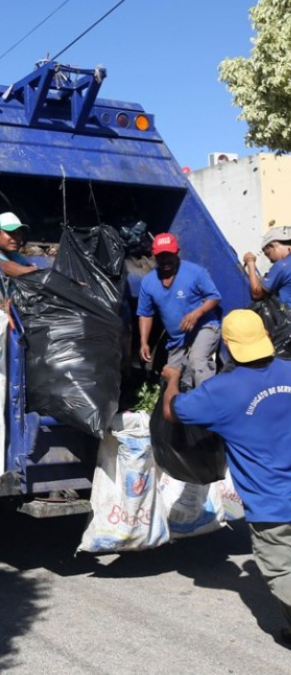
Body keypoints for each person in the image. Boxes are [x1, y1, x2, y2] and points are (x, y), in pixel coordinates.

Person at [162, 309, 291, 645]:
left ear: (229, 346)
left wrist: (172, 378)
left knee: (283, 572)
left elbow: (172, 411)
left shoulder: (222, 391)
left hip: (272, 505)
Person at [138, 232, 222, 389]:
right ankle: (181, 408)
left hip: (204, 326)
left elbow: (215, 297)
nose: (166, 260)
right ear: (154, 256)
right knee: (172, 376)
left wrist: (196, 314)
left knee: (198, 361)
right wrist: (144, 341)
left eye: (169, 255)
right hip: (177, 337)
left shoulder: (195, 272)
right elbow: (145, 314)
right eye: (161, 256)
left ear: (178, 252)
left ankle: (209, 405)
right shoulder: (148, 282)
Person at [244, 224, 291, 306]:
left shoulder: (282, 265)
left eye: (268, 254)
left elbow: (257, 293)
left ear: (273, 246)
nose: (271, 261)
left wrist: (250, 262)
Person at [0, 212, 38, 277]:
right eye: (11, 232)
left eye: (19, 234)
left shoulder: (15, 256)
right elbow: (6, 266)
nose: (17, 238)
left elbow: (28, 267)